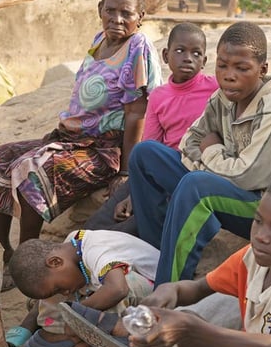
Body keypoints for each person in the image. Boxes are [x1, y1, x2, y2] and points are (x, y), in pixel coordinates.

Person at [0, 0, 162, 291]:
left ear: (140, 16)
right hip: (70, 138)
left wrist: (126, 171)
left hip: (103, 149)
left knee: (33, 172)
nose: (117, 18)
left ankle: (27, 261)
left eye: (126, 13)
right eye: (110, 10)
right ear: (99, 10)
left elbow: (136, 113)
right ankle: (6, 254)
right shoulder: (100, 40)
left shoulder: (137, 49)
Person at [63, 173, 271, 347]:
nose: (262, 236)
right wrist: (170, 291)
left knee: (191, 327)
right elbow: (195, 289)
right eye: (258, 221)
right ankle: (129, 334)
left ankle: (127, 336)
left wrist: (190, 328)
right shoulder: (252, 257)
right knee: (189, 324)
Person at [127, 21, 271, 285]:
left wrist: (211, 151)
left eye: (242, 68)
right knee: (145, 155)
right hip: (229, 184)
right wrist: (212, 160)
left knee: (197, 185)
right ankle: (157, 257)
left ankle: (167, 292)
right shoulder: (223, 96)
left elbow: (245, 175)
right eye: (222, 66)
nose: (229, 75)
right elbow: (190, 139)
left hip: (265, 205)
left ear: (262, 69)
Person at [84, 22, 218, 235]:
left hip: (192, 171)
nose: (188, 58)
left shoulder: (215, 88)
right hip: (162, 165)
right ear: (166, 56)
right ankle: (84, 242)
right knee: (103, 218)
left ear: (204, 61)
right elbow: (150, 146)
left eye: (196, 53)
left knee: (139, 223)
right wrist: (133, 195)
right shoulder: (158, 96)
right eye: (180, 51)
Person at [5, 229, 159, 347]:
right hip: (117, 289)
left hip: (157, 289)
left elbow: (118, 289)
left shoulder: (96, 250)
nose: (65, 292)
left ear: (55, 262)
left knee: (117, 289)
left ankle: (81, 344)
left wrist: (76, 314)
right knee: (54, 292)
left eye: (60, 288)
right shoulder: (71, 244)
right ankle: (55, 331)